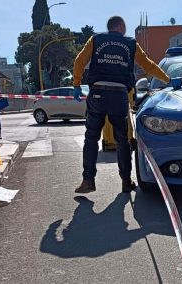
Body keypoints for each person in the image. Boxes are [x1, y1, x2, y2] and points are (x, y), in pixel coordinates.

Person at [72, 16, 170, 194]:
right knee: (122, 139)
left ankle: (88, 181)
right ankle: (126, 181)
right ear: (120, 26)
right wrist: (167, 79)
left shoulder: (95, 39)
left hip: (97, 93)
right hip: (119, 94)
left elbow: (79, 61)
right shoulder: (130, 43)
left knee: (91, 138)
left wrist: (77, 85)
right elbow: (147, 65)